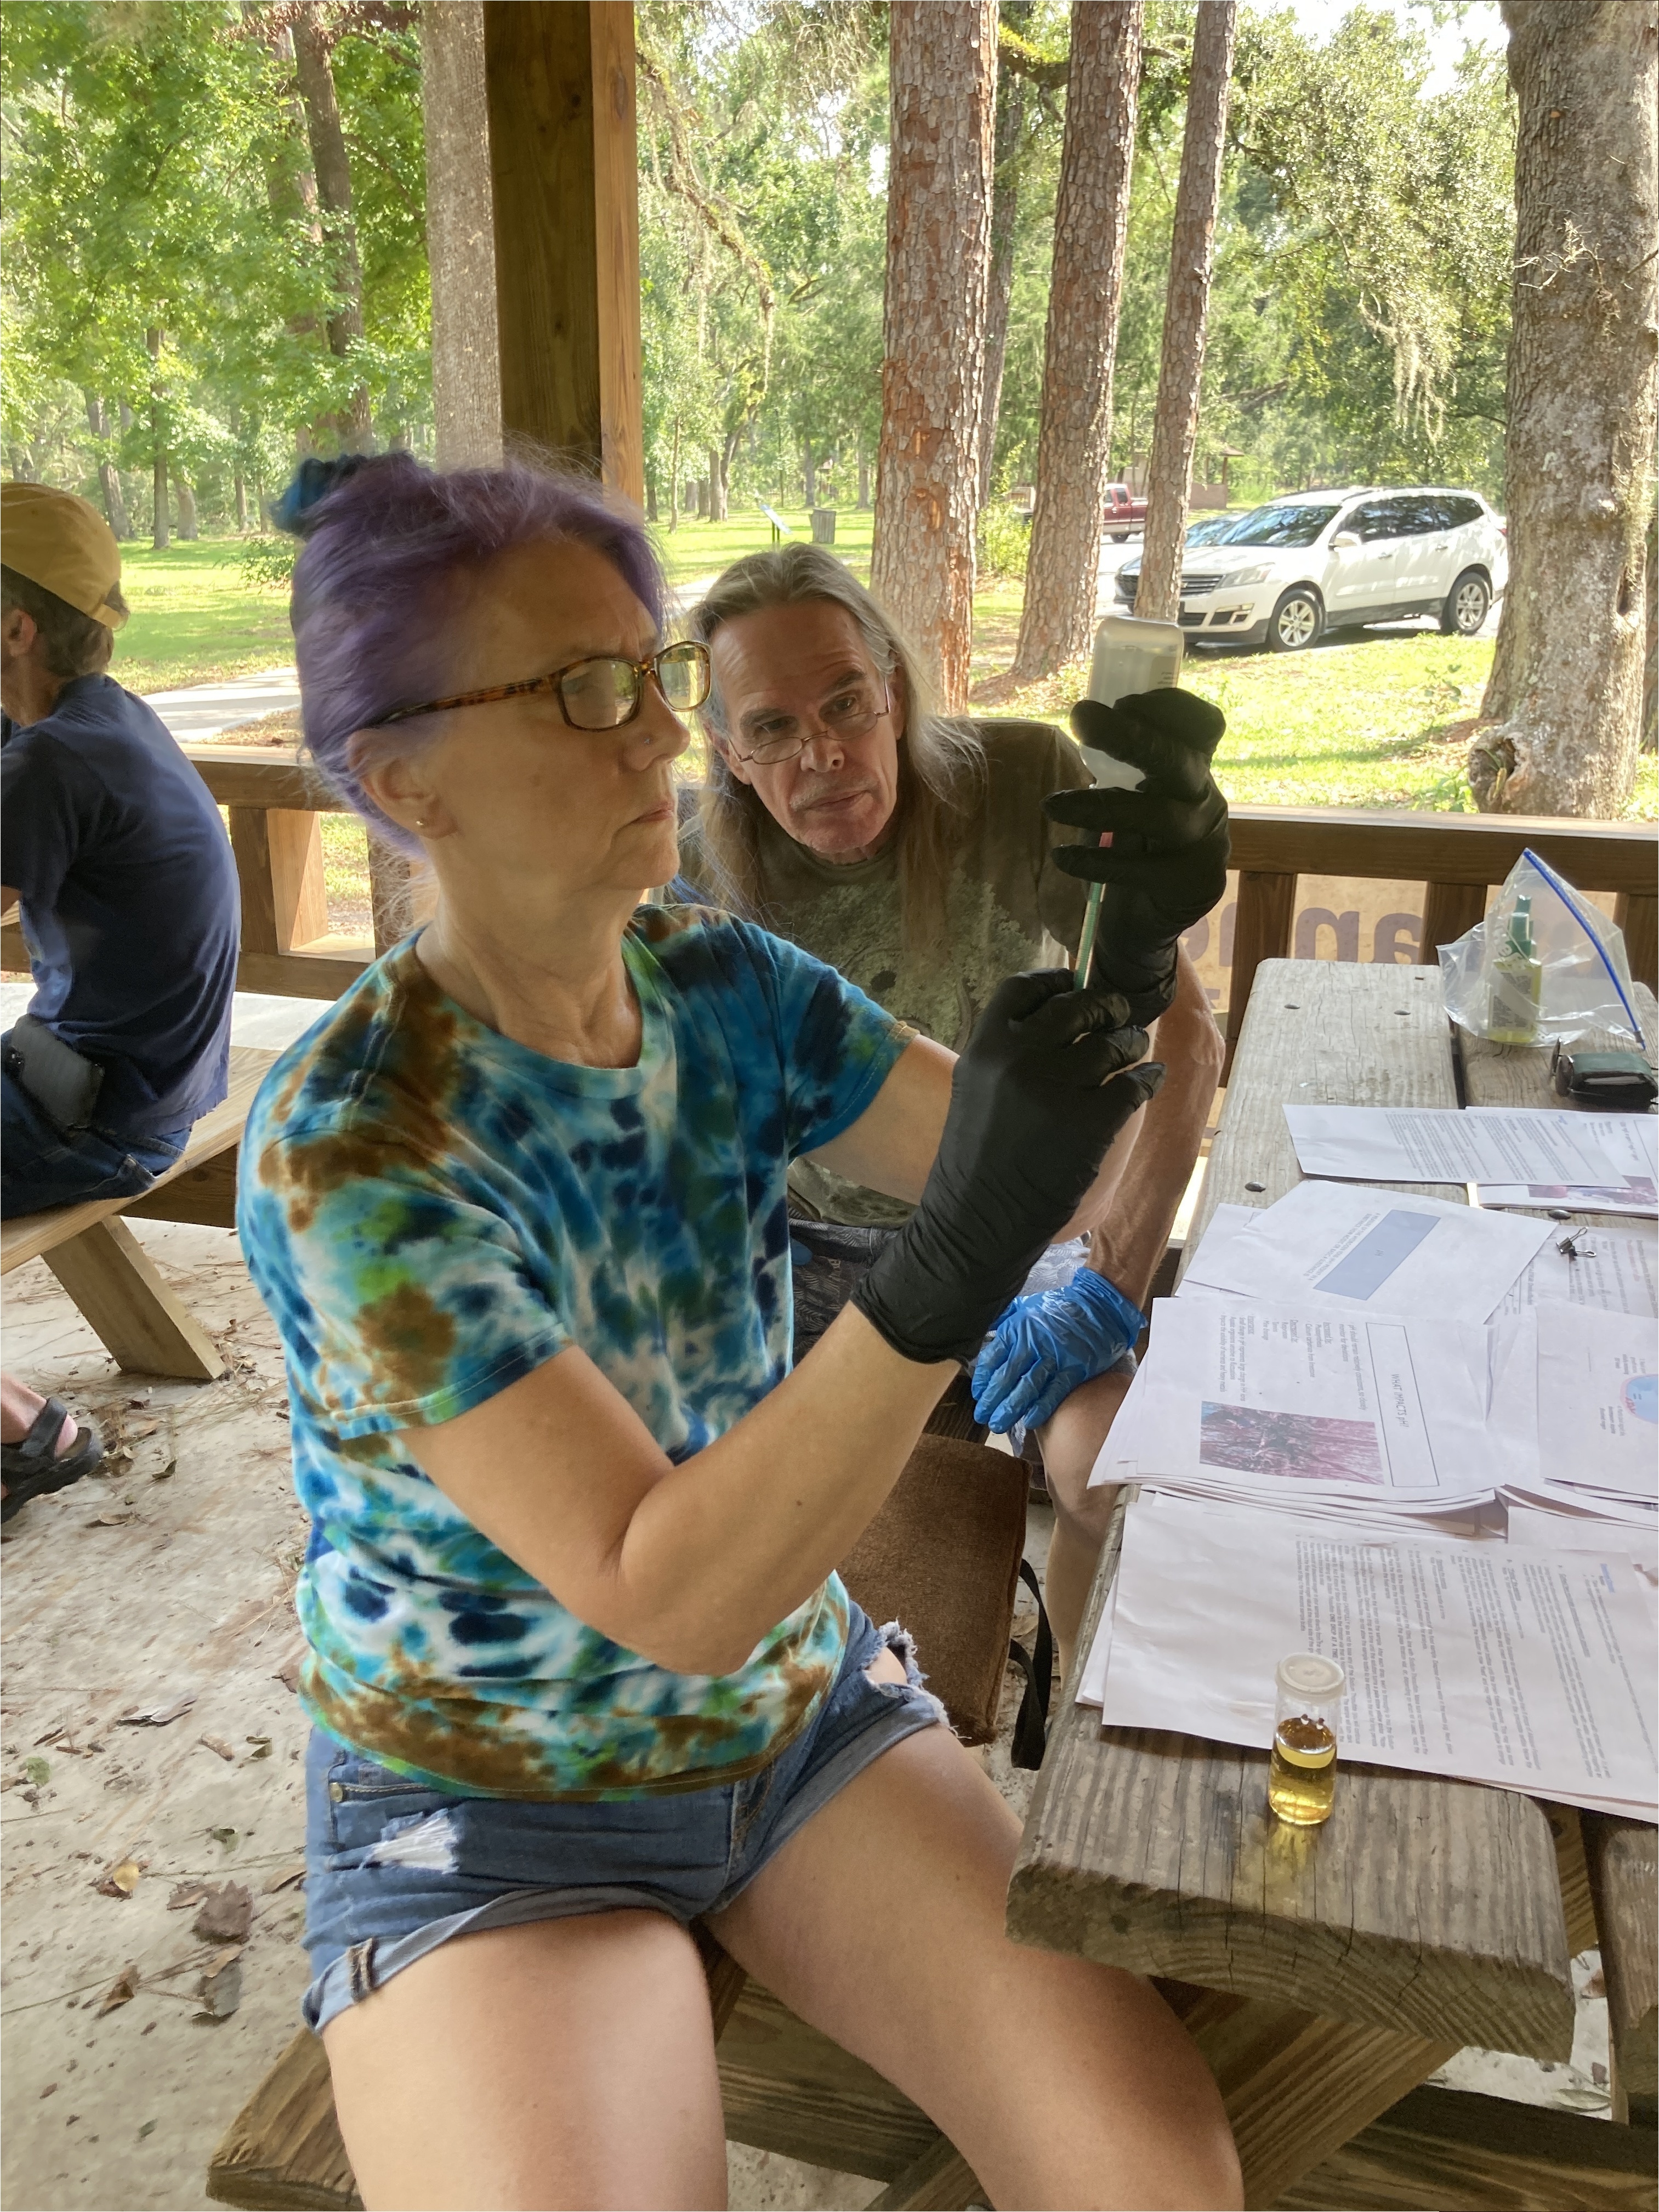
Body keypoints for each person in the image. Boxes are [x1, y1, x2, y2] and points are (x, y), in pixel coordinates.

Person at [241, 453, 1240, 2211]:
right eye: (583, 689)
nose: (654, 738)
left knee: (1154, 2176)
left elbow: (1000, 1140)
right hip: (486, 1792)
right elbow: (663, 1584)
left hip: (787, 1722)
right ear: (401, 778)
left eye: (642, 673)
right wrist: (944, 1286)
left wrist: (1123, 964)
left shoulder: (719, 982)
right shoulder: (363, 1143)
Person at [681, 546, 1226, 1677]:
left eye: (844, 702)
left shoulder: (1021, 784)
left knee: (1111, 1477)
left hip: (1019, 1215)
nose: (823, 754)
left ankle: (1086, 1728)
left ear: (894, 685)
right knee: (709, 1509)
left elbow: (1186, 1035)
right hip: (794, 1245)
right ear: (728, 752)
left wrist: (1107, 1278)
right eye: (772, 728)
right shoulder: (686, 875)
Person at [0, 483, 240, 1521]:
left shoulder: (52, 759)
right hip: (134, 1083)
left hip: (98, 1118)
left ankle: (25, 1434)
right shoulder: (104, 718)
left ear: (13, 627)